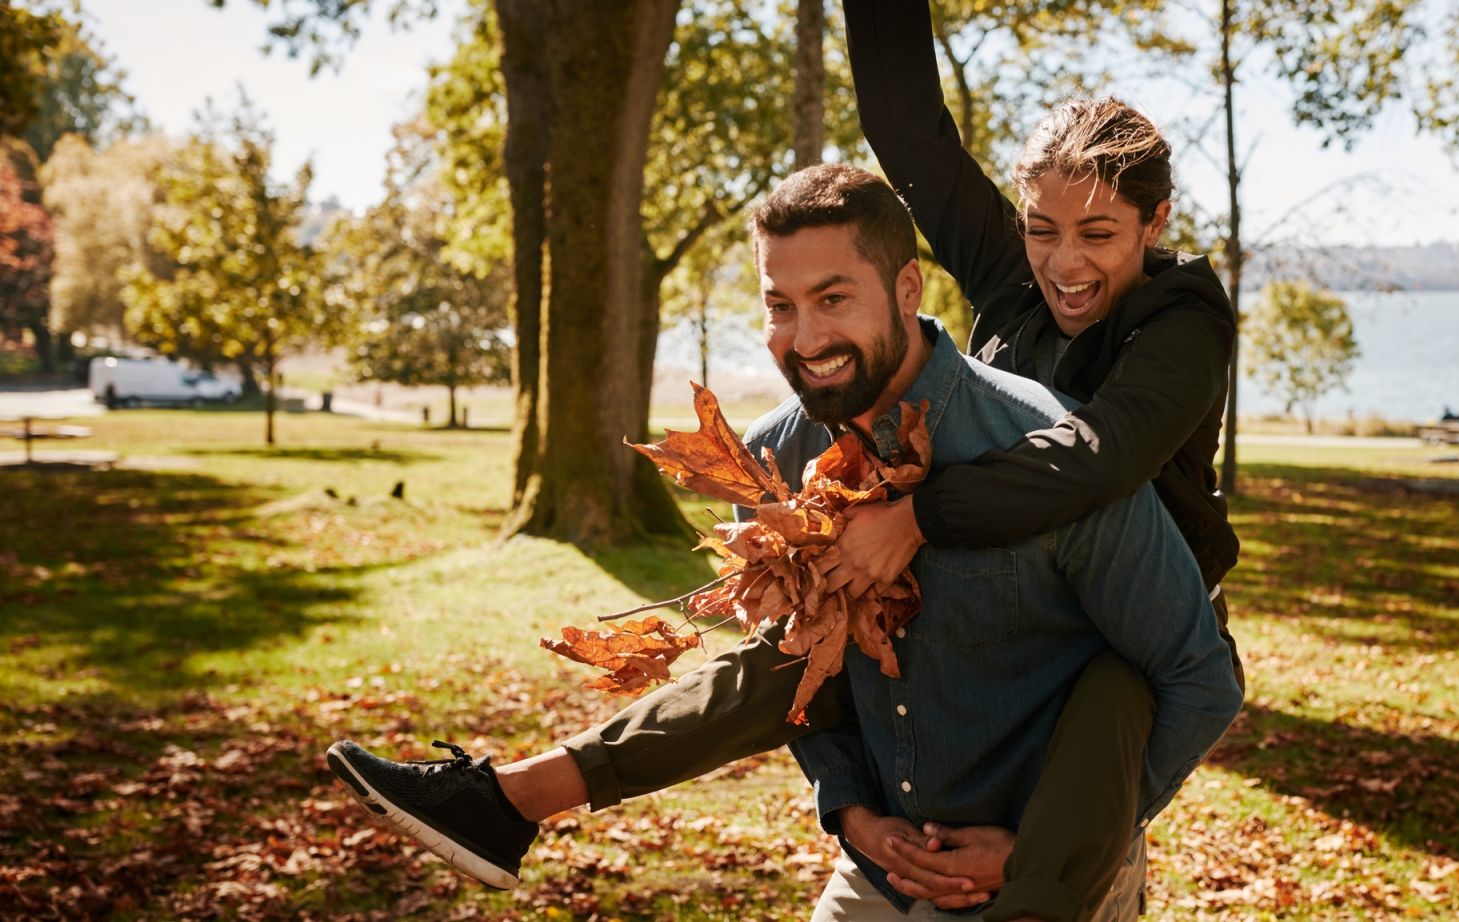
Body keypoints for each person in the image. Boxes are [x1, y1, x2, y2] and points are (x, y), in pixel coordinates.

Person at [328, 1, 1246, 915]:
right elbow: (910, 135)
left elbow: (1101, 455)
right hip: (937, 667)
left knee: (1104, 712)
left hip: (1131, 624)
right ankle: (514, 798)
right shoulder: (998, 290)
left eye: (1098, 235)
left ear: (1154, 225)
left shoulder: (1181, 324)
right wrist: (848, 807)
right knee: (791, 647)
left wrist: (915, 517)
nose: (1063, 263)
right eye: (1042, 230)